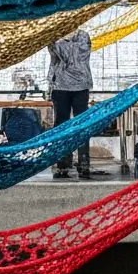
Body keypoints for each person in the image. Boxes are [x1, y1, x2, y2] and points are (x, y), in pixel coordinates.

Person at [47, 23, 95, 177]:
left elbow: (75, 56)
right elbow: (56, 57)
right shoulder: (54, 37)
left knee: (82, 125)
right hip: (60, 86)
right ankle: (62, 162)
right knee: (61, 125)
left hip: (80, 86)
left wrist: (60, 43)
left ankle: (83, 162)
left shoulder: (83, 36)